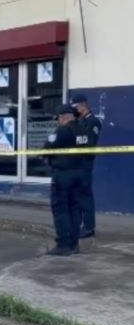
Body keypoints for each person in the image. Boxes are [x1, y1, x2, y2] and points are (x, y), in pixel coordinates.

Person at [43, 104, 91, 256]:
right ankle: (74, 244)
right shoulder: (84, 130)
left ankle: (63, 245)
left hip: (63, 175)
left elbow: (47, 147)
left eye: (58, 119)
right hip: (80, 174)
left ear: (63, 118)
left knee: (61, 209)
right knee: (75, 209)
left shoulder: (63, 130)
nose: (58, 122)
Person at [71, 93, 102, 238]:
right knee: (77, 195)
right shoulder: (80, 121)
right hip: (77, 163)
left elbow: (88, 142)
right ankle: (79, 225)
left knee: (85, 196)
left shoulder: (93, 122)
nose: (75, 110)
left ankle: (89, 227)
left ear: (82, 105)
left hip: (85, 163)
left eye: (76, 107)